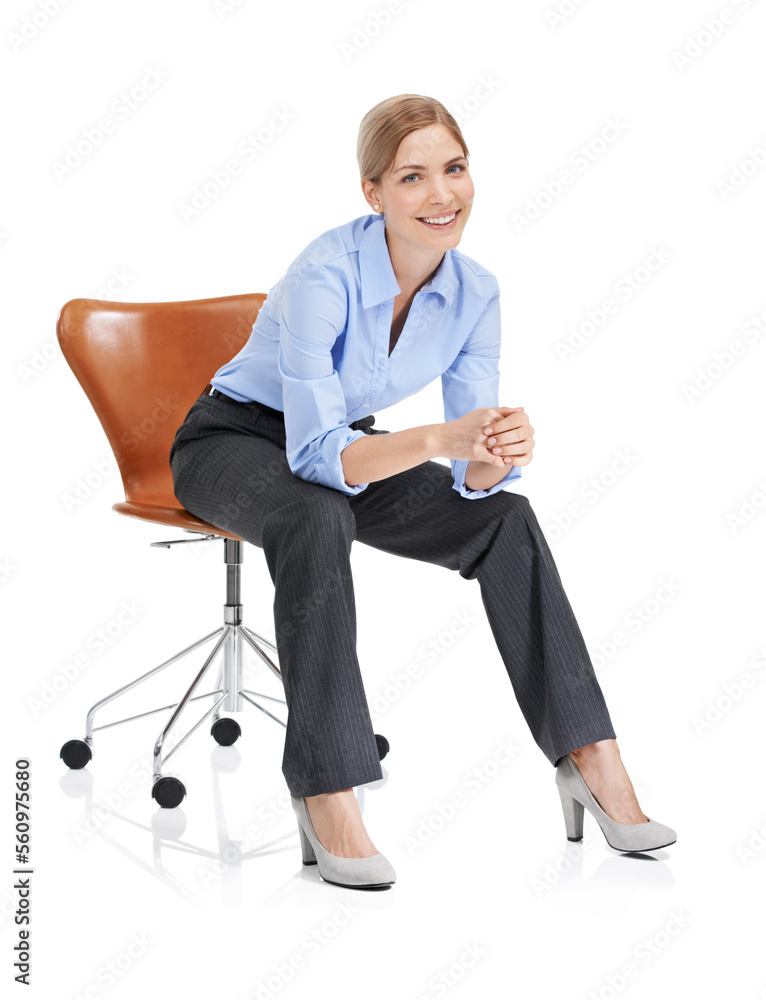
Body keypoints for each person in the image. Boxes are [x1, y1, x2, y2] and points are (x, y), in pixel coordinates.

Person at [168, 94, 676, 890]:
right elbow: (313, 455)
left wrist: (492, 451)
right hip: (232, 440)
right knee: (316, 508)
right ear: (373, 193)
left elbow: (471, 474)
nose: (443, 195)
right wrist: (441, 441)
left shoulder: (477, 292)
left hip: (347, 445)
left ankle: (590, 756)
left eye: (455, 168)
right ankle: (329, 786)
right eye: (413, 177)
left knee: (506, 518)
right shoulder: (322, 275)